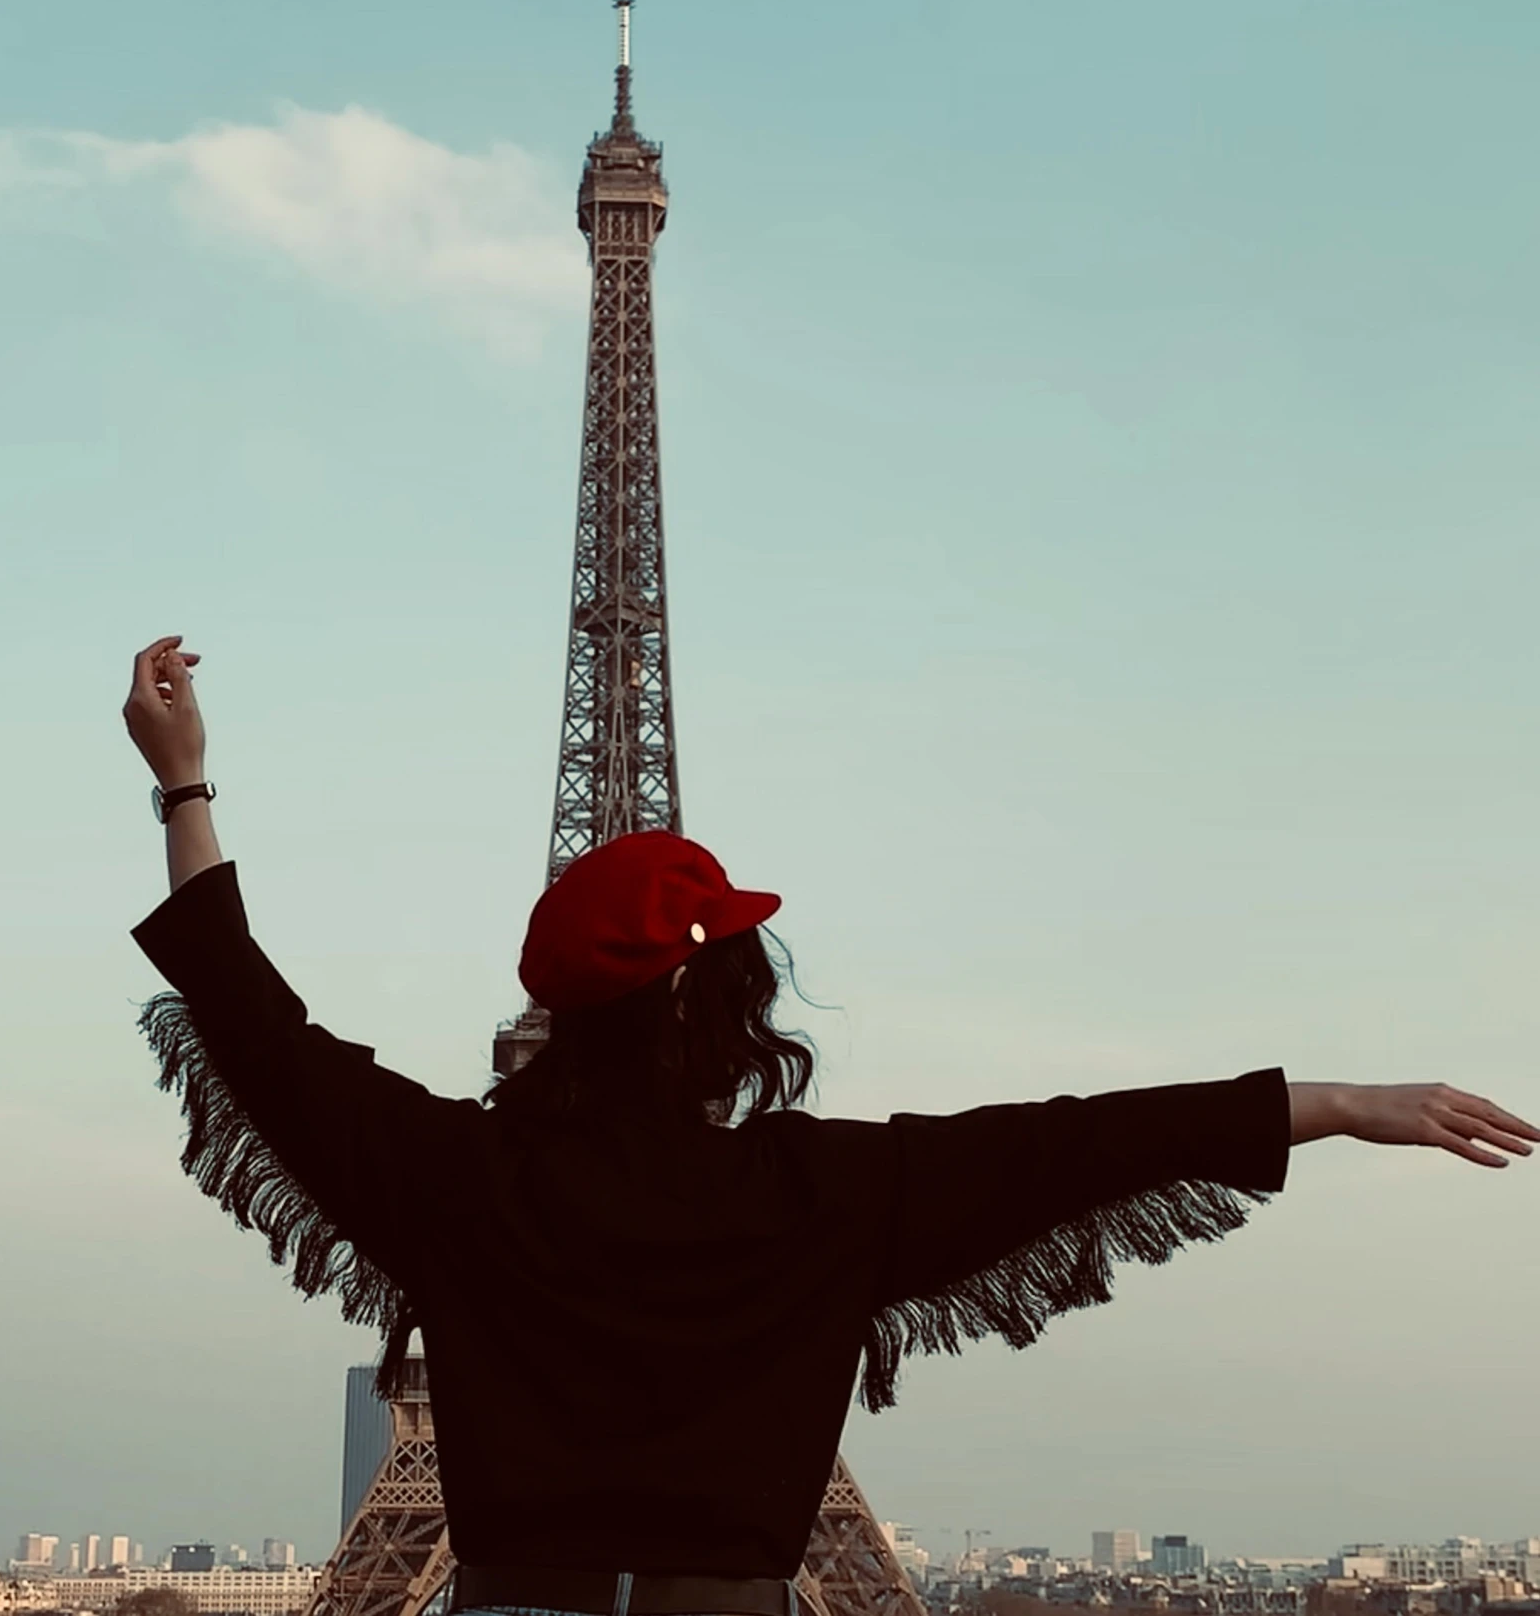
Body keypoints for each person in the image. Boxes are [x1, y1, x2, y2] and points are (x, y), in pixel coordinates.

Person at [124, 634, 1534, 1616]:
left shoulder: (457, 1178)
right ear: (715, 1007)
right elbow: (1083, 1138)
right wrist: (1340, 1104)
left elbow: (257, 1028)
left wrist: (184, 781)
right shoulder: (829, 1190)